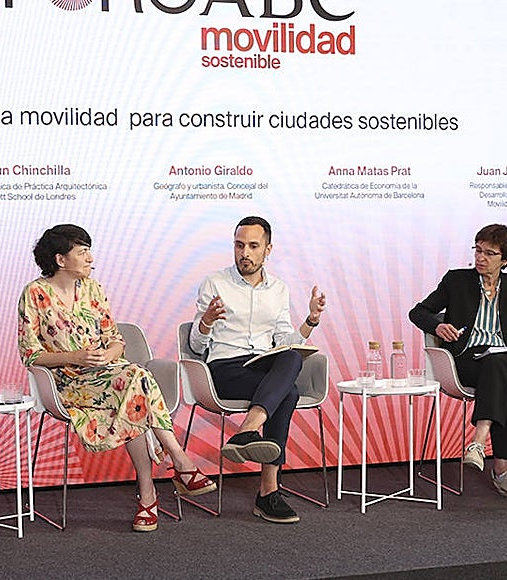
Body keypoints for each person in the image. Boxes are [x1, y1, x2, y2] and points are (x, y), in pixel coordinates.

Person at [18, 224, 216, 532]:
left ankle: (151, 491)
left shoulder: (93, 290)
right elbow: (30, 354)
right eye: (82, 252)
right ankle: (177, 463)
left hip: (110, 375)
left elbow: (115, 340)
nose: (90, 258)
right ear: (60, 260)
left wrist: (108, 356)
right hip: (67, 384)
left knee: (134, 382)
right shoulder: (34, 294)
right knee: (136, 384)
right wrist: (75, 358)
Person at [189, 216, 327, 524]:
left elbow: (285, 339)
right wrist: (207, 320)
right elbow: (197, 347)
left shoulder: (278, 288)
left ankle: (248, 430)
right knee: (287, 392)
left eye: (253, 246)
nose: (245, 253)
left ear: (268, 250)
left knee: (290, 357)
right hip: (224, 370)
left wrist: (311, 319)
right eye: (239, 246)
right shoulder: (215, 282)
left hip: (261, 368)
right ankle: (268, 492)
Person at [408, 224, 507, 500]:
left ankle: (479, 441)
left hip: (506, 358)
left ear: (505, 259)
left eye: (490, 253)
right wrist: (437, 328)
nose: (480, 258)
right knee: (503, 382)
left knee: (498, 367)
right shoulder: (456, 281)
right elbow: (418, 312)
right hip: (467, 361)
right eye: (478, 250)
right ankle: (503, 471)